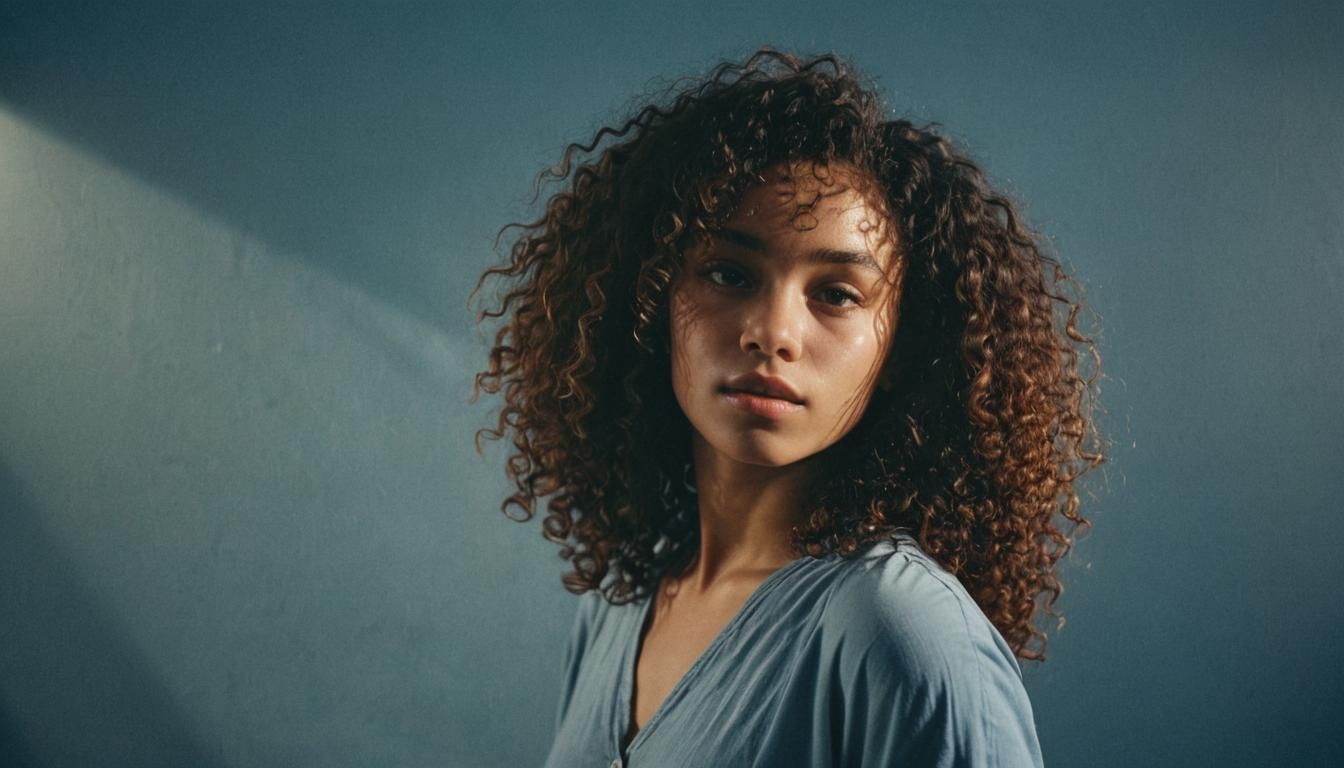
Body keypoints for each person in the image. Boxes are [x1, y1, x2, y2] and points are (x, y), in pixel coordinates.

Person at [470, 48, 1105, 768]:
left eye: (835, 294)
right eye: (729, 273)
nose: (772, 333)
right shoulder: (622, 601)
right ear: (649, 299)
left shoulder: (900, 632)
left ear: (900, 350)